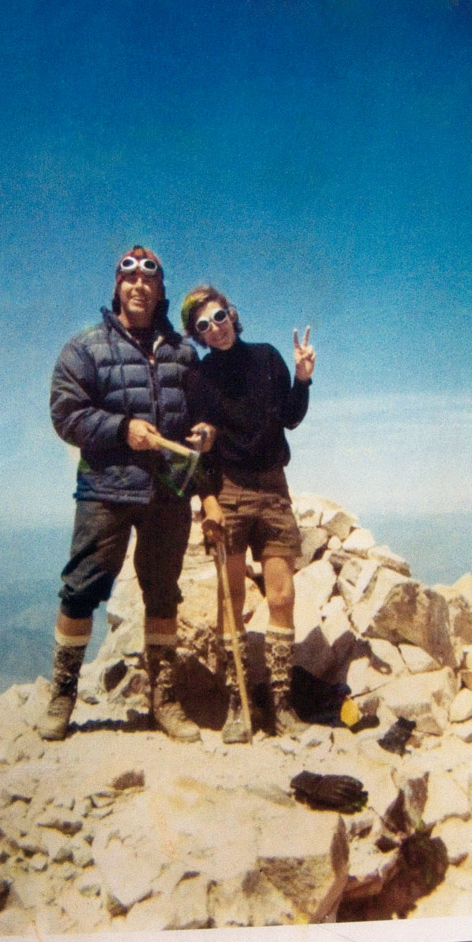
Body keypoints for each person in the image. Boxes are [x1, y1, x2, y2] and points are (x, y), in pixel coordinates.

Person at [40, 246, 215, 742]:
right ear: (118, 287)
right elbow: (66, 415)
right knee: (82, 588)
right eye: (129, 277)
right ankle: (63, 694)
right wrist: (121, 429)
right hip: (106, 488)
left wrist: (204, 431)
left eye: (149, 279)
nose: (139, 285)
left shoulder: (183, 352)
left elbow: (201, 411)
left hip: (168, 491)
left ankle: (163, 697)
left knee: (164, 592)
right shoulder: (86, 348)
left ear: (160, 290)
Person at [180, 284, 316, 743]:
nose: (214, 329)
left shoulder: (267, 358)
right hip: (231, 491)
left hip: (274, 489)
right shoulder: (199, 378)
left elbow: (291, 418)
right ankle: (237, 702)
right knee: (230, 598)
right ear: (196, 335)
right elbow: (199, 448)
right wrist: (209, 497)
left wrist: (302, 377)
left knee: (281, 596)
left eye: (218, 317)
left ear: (231, 314)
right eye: (202, 326)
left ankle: (280, 703)